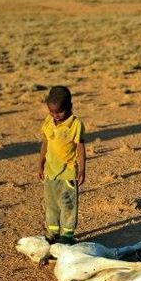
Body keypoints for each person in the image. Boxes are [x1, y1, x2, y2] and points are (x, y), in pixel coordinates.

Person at [38, 86, 86, 244]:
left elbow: (80, 147)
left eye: (59, 112)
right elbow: (45, 141)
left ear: (70, 107)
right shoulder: (49, 121)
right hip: (50, 172)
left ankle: (67, 236)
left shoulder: (76, 125)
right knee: (51, 205)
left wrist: (82, 170)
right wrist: (40, 163)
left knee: (68, 205)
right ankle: (53, 233)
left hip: (67, 174)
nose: (55, 116)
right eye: (51, 112)